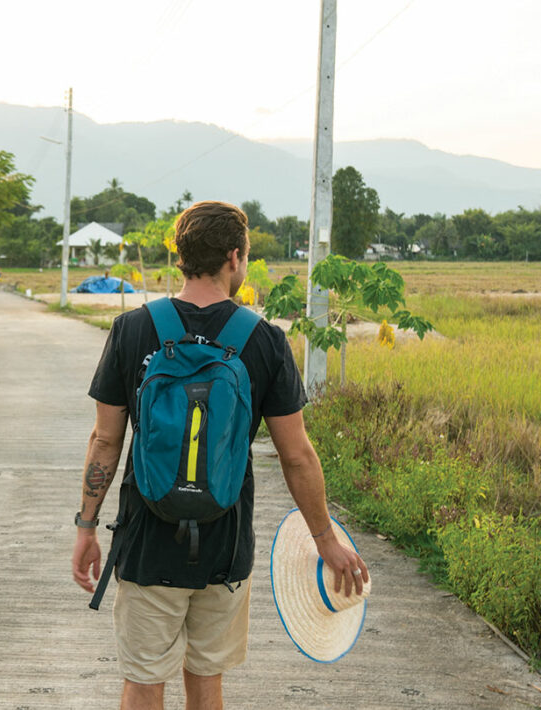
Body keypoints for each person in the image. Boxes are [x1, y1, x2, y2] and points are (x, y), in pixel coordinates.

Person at [71, 200, 369, 710]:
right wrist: (324, 539)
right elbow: (296, 456)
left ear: (182, 257)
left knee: (144, 679)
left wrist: (86, 527)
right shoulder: (263, 340)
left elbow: (105, 441)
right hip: (225, 542)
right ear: (235, 257)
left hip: (147, 539)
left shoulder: (133, 330)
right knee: (207, 679)